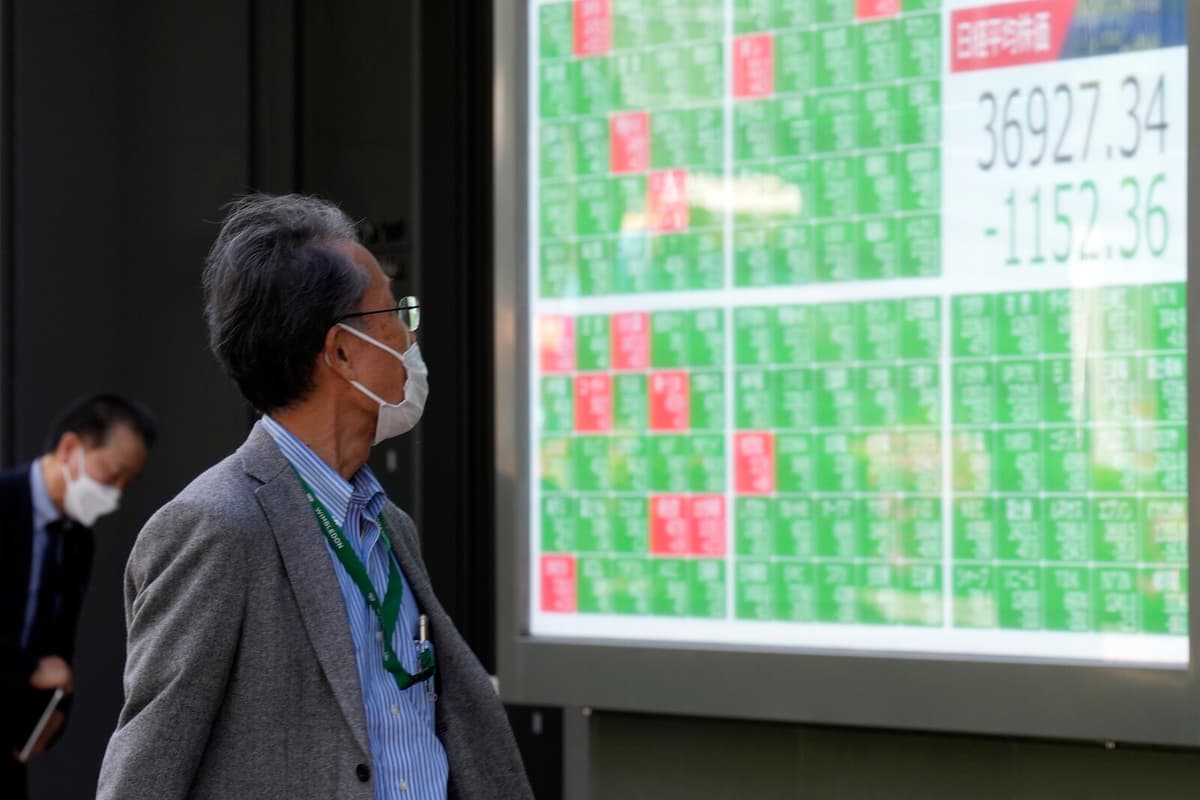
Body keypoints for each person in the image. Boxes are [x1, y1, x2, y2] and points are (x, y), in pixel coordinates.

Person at [97, 193, 532, 800]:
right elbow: (147, 768)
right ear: (342, 351)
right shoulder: (216, 526)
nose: (409, 336)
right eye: (393, 312)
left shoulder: (388, 524)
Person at [0, 394, 156, 800]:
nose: (115, 493)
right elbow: (41, 662)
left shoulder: (77, 541)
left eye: (128, 482)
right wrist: (28, 668)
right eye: (111, 474)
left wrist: (52, 715)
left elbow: (60, 643)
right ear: (70, 448)